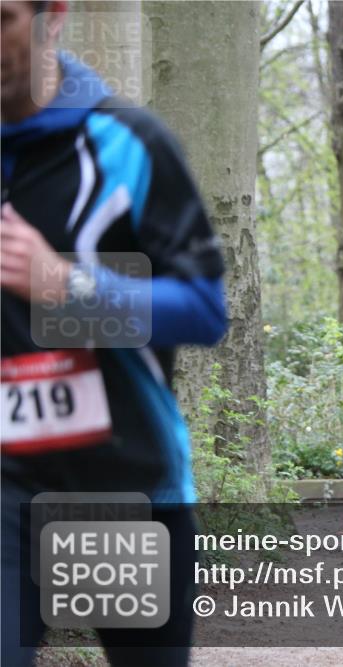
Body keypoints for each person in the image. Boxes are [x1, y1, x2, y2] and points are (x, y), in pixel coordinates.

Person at [2, 2, 227, 664]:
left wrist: (65, 286)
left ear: (55, 16)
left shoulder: (128, 143)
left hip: (124, 488)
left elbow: (204, 309)